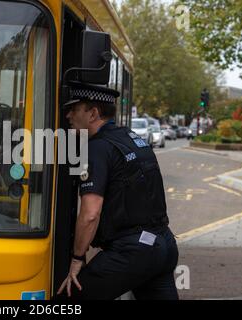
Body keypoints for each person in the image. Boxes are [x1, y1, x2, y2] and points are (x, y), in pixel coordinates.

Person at [57, 81, 179, 300]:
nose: (68, 115)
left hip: (133, 252)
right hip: (164, 245)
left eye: (74, 109)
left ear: (93, 113)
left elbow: (90, 214)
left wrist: (77, 259)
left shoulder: (96, 148)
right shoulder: (132, 138)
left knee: (67, 300)